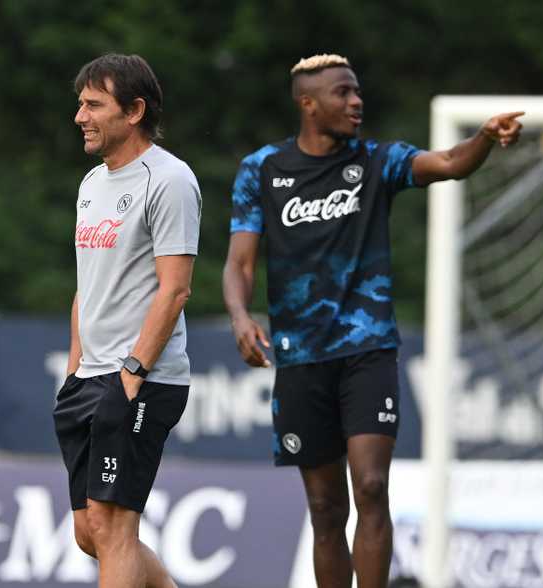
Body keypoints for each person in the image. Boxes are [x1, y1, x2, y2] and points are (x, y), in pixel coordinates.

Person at [223, 54, 522, 588]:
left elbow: (450, 162)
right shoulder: (262, 169)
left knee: (371, 486)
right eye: (342, 93)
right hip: (301, 358)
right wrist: (241, 316)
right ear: (308, 104)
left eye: (357, 91)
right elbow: (240, 263)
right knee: (325, 508)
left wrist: (482, 138)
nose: (356, 101)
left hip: (368, 350)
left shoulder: (378, 161)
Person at [54, 53, 201, 588]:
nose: (80, 117)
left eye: (94, 105)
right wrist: (74, 370)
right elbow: (86, 284)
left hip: (141, 377)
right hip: (88, 377)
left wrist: (132, 372)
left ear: (134, 111)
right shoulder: (92, 183)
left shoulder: (170, 180)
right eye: (81, 104)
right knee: (89, 533)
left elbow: (175, 288)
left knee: (115, 528)